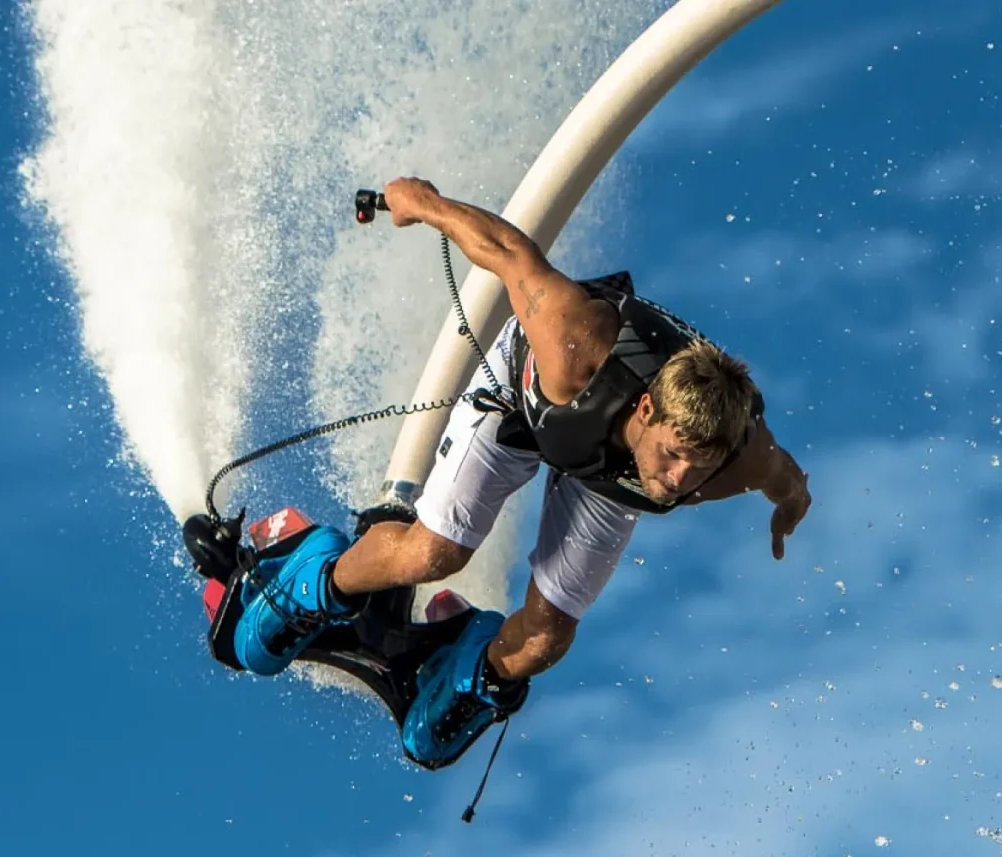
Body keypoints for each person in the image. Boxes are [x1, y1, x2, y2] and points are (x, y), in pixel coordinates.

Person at [231, 176, 812, 767]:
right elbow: (508, 251)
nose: (680, 480)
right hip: (519, 401)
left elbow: (789, 482)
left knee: (547, 638)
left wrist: (791, 508)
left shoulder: (738, 462)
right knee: (435, 553)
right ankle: (315, 581)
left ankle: (466, 673)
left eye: (700, 466)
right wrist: (422, 204)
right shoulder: (573, 342)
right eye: (673, 454)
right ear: (645, 410)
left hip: (604, 479)